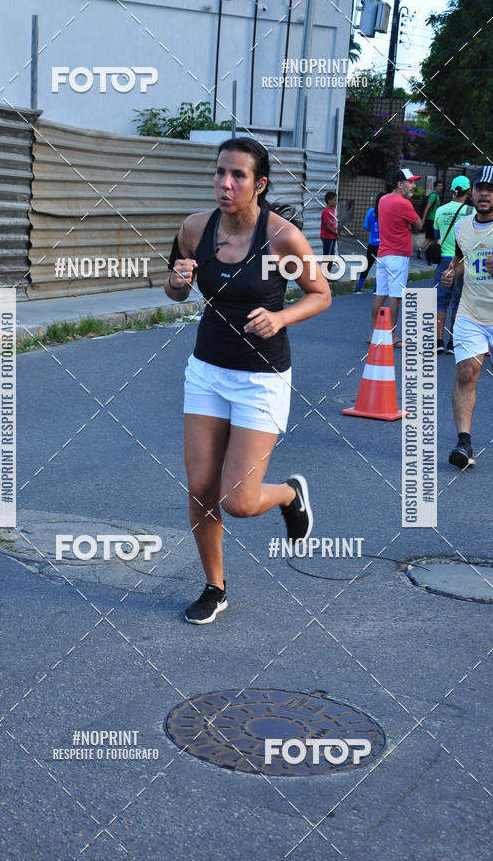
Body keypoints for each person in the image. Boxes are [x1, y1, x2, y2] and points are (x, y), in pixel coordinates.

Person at [164, 136, 331, 623]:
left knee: (238, 501)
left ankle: (289, 494)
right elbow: (175, 290)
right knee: (200, 487)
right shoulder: (195, 229)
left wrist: (281, 319)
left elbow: (320, 294)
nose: (225, 183)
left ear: (259, 184)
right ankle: (214, 586)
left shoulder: (282, 238)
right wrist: (177, 283)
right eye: (220, 173)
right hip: (208, 371)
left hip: (261, 377)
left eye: (238, 175)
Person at [441, 166, 493, 469]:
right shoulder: (462, 226)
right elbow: (463, 260)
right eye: (479, 188)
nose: (484, 194)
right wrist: (450, 273)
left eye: (490, 189)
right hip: (471, 314)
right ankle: (464, 444)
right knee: (467, 373)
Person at [370, 168, 422, 345]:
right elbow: (419, 225)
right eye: (411, 182)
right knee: (395, 296)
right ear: (400, 184)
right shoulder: (404, 204)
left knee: (380, 295)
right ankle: (392, 336)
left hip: (383, 254)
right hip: (398, 256)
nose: (413, 186)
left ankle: (373, 334)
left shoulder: (383, 200)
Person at [433, 175, 473, 354]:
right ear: (469, 191)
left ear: (451, 191)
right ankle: (452, 342)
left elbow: (436, 233)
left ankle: (438, 340)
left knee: (441, 301)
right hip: (461, 261)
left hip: (443, 259)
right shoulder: (471, 211)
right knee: (458, 302)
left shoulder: (441, 210)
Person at [355, 191, 386, 293]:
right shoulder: (388, 213)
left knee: (367, 265)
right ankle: (377, 288)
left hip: (372, 243)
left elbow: (366, 226)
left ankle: (359, 287)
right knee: (381, 267)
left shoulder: (371, 212)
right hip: (384, 245)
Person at [418, 180, 444, 260]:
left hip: (434, 220)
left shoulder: (437, 196)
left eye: (441, 186)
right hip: (431, 220)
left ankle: (432, 254)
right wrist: (423, 220)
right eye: (439, 186)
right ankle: (421, 249)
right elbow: (427, 208)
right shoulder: (433, 196)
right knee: (431, 237)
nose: (440, 187)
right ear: (435, 187)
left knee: (435, 238)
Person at [320, 191, 338, 260]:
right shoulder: (325, 212)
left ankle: (328, 271)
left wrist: (335, 234)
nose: (336, 202)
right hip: (327, 237)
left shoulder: (333, 210)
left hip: (332, 236)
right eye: (334, 200)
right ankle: (324, 270)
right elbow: (327, 227)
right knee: (327, 257)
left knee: (331, 257)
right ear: (329, 201)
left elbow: (333, 223)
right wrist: (336, 233)